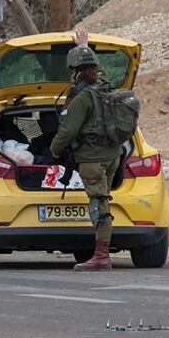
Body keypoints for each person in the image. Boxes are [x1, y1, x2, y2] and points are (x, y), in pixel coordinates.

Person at [50, 46, 123, 272]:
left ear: (76, 71)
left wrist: (54, 150)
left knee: (98, 204)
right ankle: (101, 252)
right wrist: (86, 46)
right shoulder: (106, 87)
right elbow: (101, 71)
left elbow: (68, 131)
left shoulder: (82, 98)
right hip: (113, 155)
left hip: (91, 159)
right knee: (104, 199)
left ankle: (101, 256)